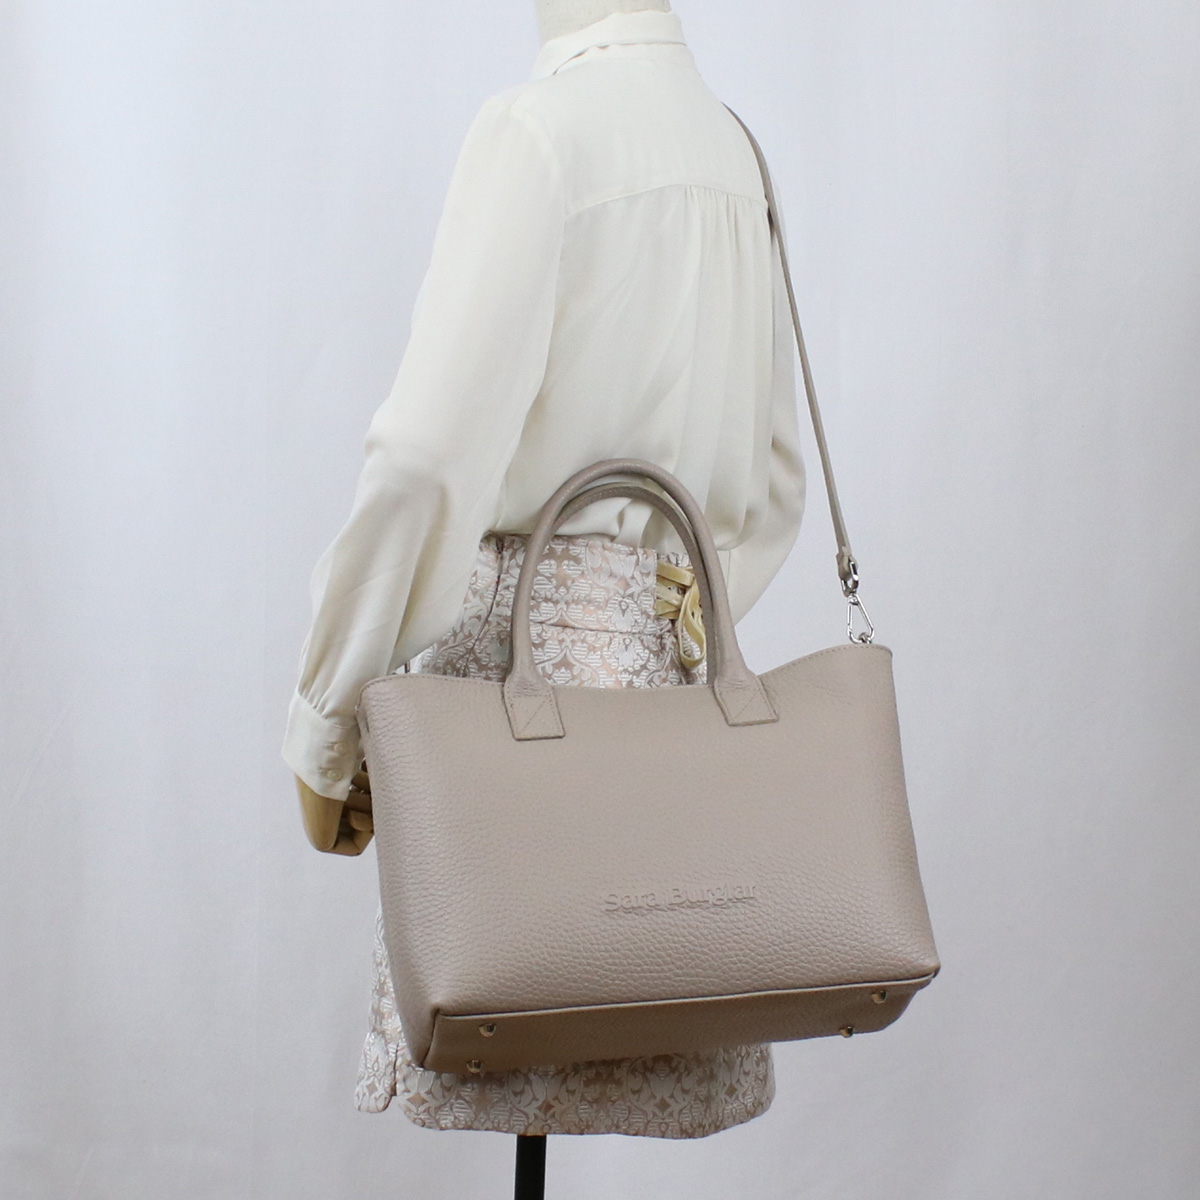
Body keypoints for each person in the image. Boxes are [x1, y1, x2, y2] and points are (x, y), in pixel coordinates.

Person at [282, 0, 805, 1138]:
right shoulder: (733, 150)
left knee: (500, 994)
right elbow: (775, 480)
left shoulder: (539, 131)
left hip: (508, 685)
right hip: (672, 695)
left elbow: (425, 459)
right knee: (649, 975)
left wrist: (331, 715)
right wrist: (673, 622)